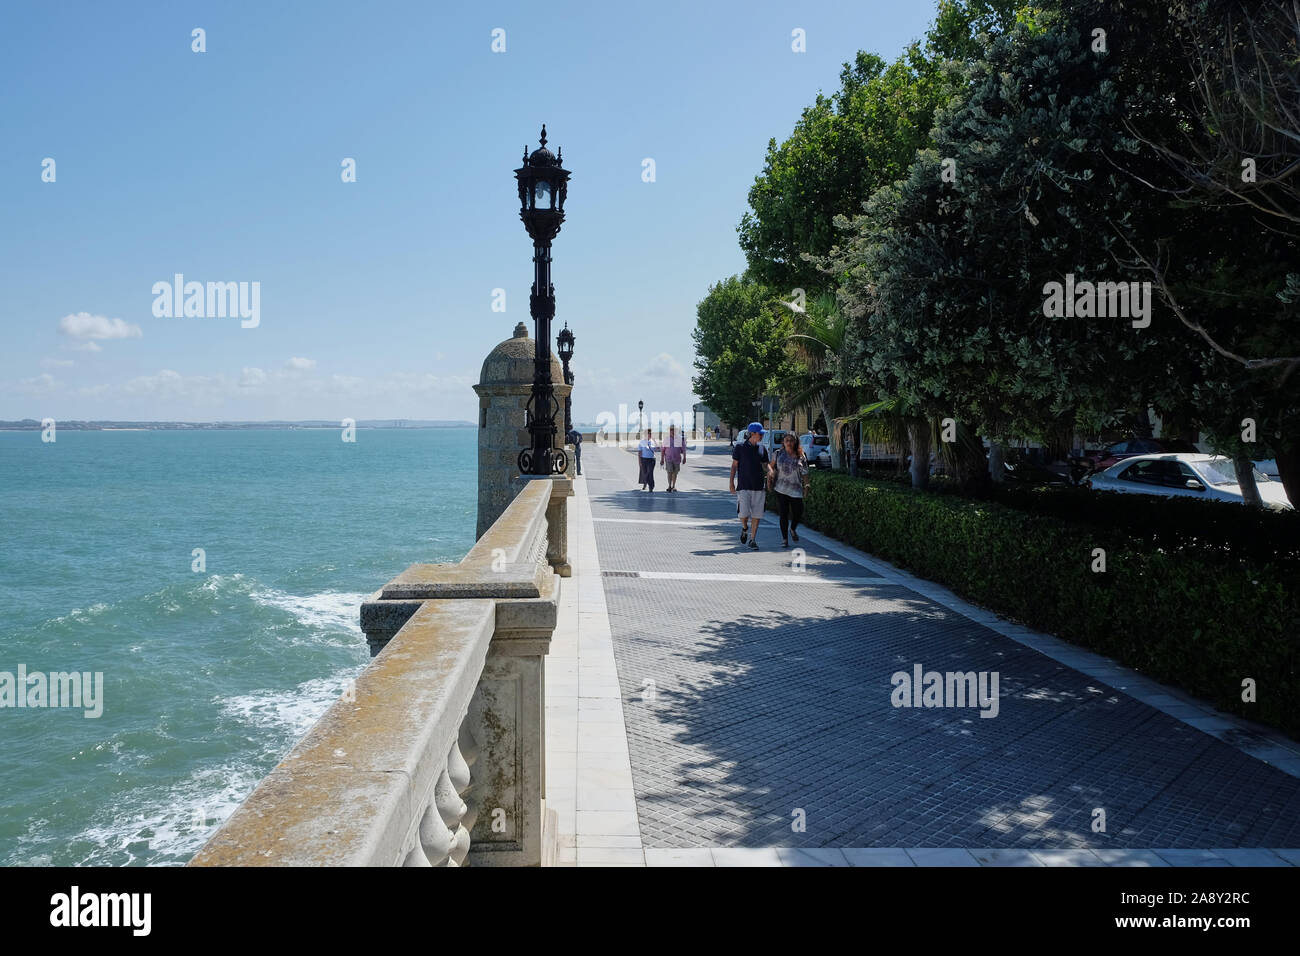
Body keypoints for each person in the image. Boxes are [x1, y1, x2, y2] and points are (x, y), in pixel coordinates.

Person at [730, 422, 769, 549]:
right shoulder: (740, 447)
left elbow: (765, 464)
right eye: (760, 434)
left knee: (757, 515)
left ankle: (752, 539)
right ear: (752, 434)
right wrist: (731, 482)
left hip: (759, 486)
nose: (762, 436)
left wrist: (771, 470)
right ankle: (745, 528)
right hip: (744, 486)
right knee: (743, 514)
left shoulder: (762, 448)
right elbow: (734, 466)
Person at [770, 432, 809, 548]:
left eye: (791, 440)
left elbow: (805, 472)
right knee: (783, 514)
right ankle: (784, 539)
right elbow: (771, 465)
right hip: (781, 488)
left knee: (798, 512)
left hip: (796, 489)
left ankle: (792, 529)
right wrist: (771, 472)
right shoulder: (778, 454)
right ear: (783, 442)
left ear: (795, 442)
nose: (789, 443)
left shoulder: (801, 456)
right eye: (787, 440)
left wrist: (807, 485)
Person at [660, 424, 687, 492]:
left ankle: (673, 486)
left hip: (677, 459)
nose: (672, 431)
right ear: (669, 431)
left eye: (673, 429)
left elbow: (683, 449)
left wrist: (684, 457)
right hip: (668, 458)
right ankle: (669, 486)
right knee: (669, 472)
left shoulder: (680, 439)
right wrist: (662, 459)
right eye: (671, 430)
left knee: (675, 472)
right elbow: (663, 450)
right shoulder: (666, 439)